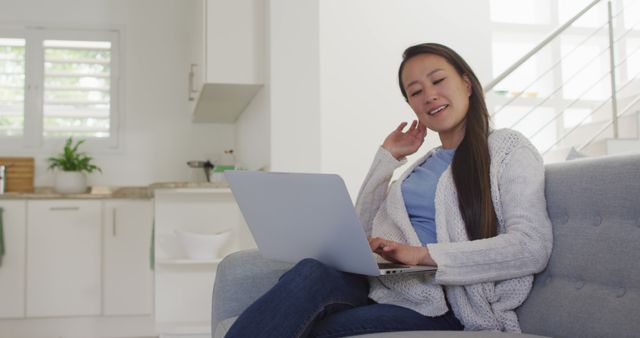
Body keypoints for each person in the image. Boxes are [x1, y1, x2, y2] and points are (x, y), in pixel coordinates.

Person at [224, 43, 553, 337]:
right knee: (310, 271)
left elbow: (531, 245)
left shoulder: (507, 149)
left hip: (444, 304)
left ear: (466, 84)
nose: (429, 95)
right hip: (384, 286)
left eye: (438, 81)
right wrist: (387, 158)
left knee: (312, 327)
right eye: (416, 91)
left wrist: (422, 256)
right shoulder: (420, 166)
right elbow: (360, 229)